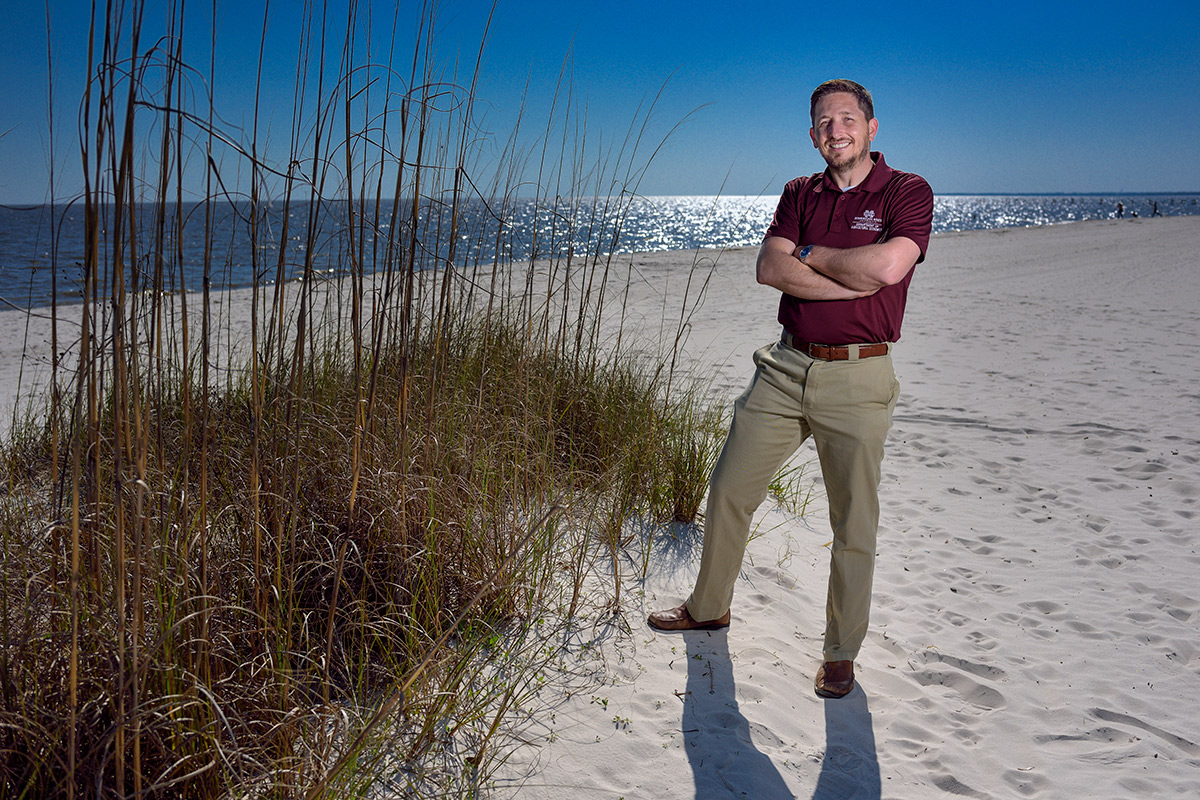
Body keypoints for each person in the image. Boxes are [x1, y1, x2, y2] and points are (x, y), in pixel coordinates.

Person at [648, 79, 934, 700]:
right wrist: (842, 273)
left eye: (848, 119)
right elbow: (771, 268)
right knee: (728, 488)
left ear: (872, 127)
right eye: (824, 122)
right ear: (812, 134)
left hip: (859, 375)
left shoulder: (907, 191)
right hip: (784, 366)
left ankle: (840, 655)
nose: (836, 130)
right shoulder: (798, 193)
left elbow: (889, 268)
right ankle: (709, 607)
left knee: (854, 522)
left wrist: (814, 262)